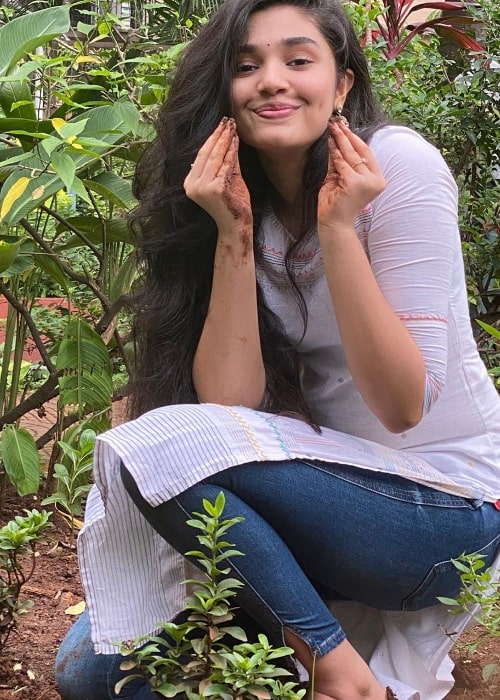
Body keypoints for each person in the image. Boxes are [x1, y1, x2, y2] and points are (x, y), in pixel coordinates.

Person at [55, 0, 500, 698]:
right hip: (318, 503)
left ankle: (342, 677)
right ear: (224, 92)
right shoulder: (242, 197)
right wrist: (231, 233)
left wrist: (339, 229)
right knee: (93, 674)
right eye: (246, 66)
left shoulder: (398, 168)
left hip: (444, 516)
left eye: (298, 60)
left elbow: (402, 407)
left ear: (343, 84)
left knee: (160, 448)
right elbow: (229, 406)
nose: (271, 80)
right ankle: (313, 660)